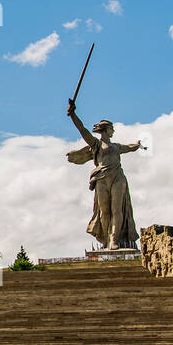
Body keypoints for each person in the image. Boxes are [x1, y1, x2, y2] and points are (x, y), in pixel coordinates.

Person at [66, 98, 143, 249]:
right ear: (105, 129)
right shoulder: (96, 144)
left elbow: (130, 147)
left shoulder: (116, 146)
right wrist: (73, 114)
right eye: (111, 128)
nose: (113, 131)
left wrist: (138, 145)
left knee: (117, 209)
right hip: (101, 178)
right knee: (105, 211)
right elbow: (82, 130)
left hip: (117, 178)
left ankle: (114, 239)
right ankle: (108, 239)